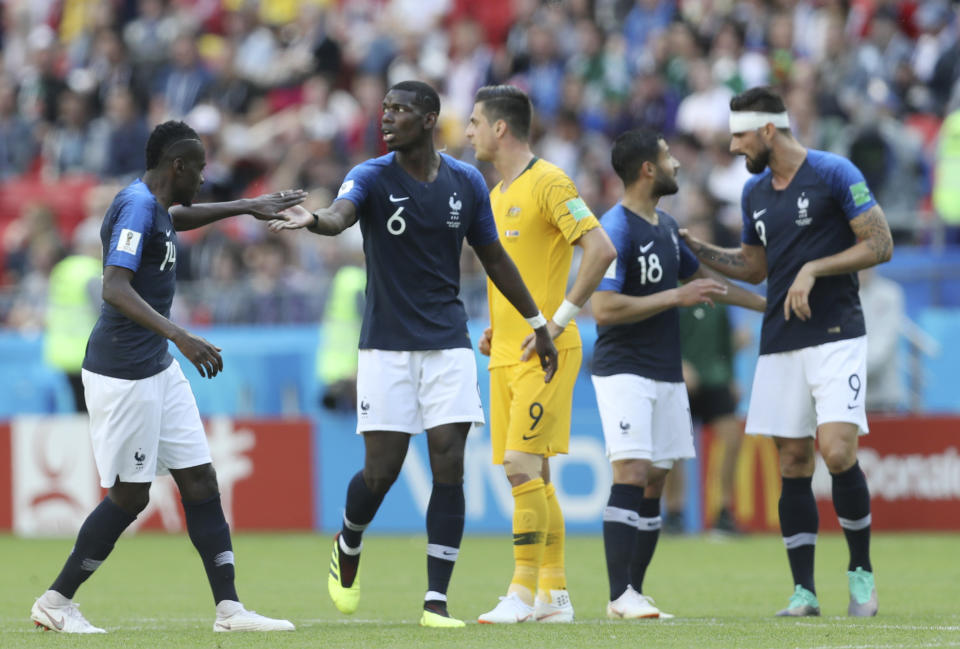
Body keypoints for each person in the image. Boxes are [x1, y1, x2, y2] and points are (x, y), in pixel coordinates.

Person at [269, 80, 557, 629]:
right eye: (385, 110)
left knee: (449, 462)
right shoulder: (372, 175)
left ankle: (436, 603)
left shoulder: (465, 182)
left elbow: (495, 258)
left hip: (447, 343)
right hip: (386, 349)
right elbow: (341, 212)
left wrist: (539, 323)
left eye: (399, 110)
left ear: (429, 119)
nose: (387, 118)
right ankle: (349, 540)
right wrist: (316, 221)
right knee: (381, 471)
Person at [29, 120, 307, 634]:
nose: (204, 178)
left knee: (199, 477)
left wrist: (246, 206)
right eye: (198, 168)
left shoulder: (151, 206)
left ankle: (230, 611)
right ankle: (56, 600)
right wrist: (181, 335)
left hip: (156, 365)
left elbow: (177, 218)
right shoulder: (137, 205)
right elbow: (114, 287)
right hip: (124, 372)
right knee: (131, 495)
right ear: (177, 166)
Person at [680, 87, 893, 617]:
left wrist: (814, 268)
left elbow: (881, 243)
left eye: (739, 135)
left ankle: (861, 575)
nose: (732, 146)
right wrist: (695, 247)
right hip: (781, 339)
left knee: (838, 451)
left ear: (768, 131)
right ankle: (804, 592)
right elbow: (753, 267)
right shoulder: (754, 193)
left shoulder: (834, 172)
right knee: (793, 461)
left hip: (838, 331)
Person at [591, 129, 766, 620]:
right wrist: (672, 296)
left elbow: (707, 285)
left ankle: (635, 594)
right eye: (668, 158)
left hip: (665, 373)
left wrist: (767, 306)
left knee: (655, 479)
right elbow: (602, 308)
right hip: (625, 369)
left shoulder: (666, 227)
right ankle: (618, 594)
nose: (677, 165)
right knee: (631, 470)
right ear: (647, 169)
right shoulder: (616, 227)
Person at [464, 84, 616, 624]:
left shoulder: (550, 181)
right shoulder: (496, 193)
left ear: (500, 128)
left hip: (546, 353)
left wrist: (557, 322)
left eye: (475, 121)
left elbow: (600, 249)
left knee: (519, 467)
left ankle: (520, 594)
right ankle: (554, 595)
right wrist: (495, 328)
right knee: (539, 477)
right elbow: (521, 272)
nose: (468, 132)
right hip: (506, 353)